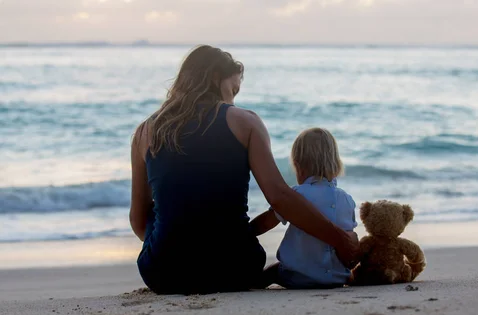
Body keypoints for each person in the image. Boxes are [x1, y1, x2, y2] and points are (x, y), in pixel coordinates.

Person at [129, 45, 358, 295]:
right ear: (216, 77)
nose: (232, 100)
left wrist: (179, 245)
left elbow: (139, 220)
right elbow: (280, 198)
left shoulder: (145, 131)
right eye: (233, 89)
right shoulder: (245, 121)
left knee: (158, 210)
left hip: (163, 273)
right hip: (235, 268)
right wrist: (339, 240)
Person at [251, 128, 357, 289]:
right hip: (335, 278)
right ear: (336, 163)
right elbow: (348, 240)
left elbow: (266, 223)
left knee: (272, 271)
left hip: (297, 276)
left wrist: (246, 231)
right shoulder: (346, 199)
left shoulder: (296, 195)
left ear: (299, 166)